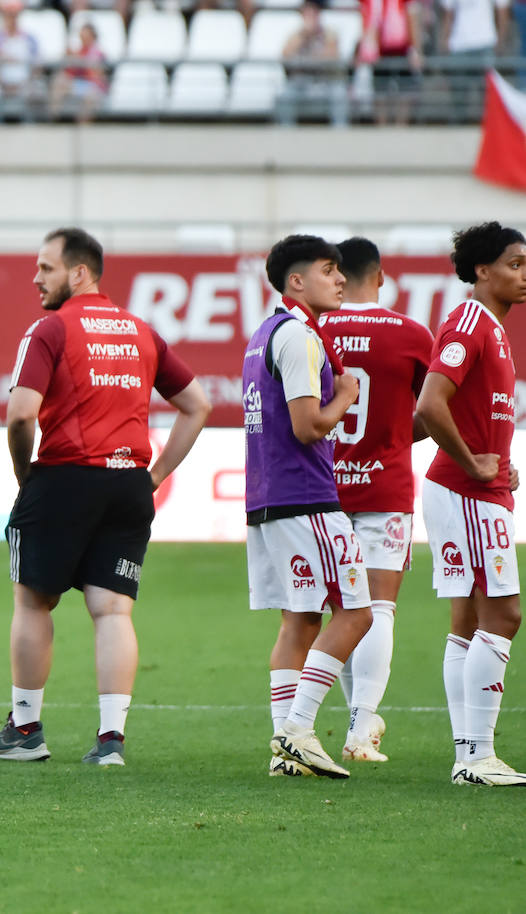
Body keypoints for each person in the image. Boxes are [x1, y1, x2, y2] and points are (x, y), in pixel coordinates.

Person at [0, 228, 210, 768]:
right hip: (128, 486)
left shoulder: (50, 330)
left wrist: (22, 473)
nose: (35, 277)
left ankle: (27, 729)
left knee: (34, 600)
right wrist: (155, 475)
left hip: (63, 478)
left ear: (79, 273)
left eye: (46, 268)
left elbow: (19, 413)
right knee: (112, 613)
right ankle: (110, 742)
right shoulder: (140, 332)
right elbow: (197, 404)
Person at [243, 235, 370, 780]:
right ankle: (297, 729)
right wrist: (346, 395)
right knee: (358, 612)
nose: (340, 279)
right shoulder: (298, 337)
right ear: (296, 281)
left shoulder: (263, 334)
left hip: (268, 500)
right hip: (305, 497)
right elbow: (306, 424)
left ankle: (284, 752)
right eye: (328, 269)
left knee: (298, 622)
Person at [413, 221, 526, 786]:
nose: (523, 274)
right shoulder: (470, 321)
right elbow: (432, 404)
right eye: (514, 264)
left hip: (468, 488)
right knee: (504, 615)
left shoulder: (492, 329)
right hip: (466, 492)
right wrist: (475, 461)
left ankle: (468, 754)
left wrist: (499, 459)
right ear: (483, 270)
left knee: (467, 621)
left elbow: (467, 412)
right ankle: (476, 757)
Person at [318, 236, 433, 762]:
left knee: (342, 609)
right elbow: (436, 409)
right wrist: (391, 436)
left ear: (337, 274)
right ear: (381, 277)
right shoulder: (411, 334)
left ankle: (349, 722)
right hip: (385, 488)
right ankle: (361, 726)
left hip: (320, 488)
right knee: (379, 607)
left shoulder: (312, 329)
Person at [278, 0, 349, 127]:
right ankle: (286, 132)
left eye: (313, 13)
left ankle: (340, 131)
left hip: (325, 82)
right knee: (285, 95)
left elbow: (332, 55)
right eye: (307, 13)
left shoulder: (329, 33)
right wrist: (304, 36)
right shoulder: (296, 35)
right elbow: (285, 55)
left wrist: (311, 57)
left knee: (339, 94)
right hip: (301, 82)